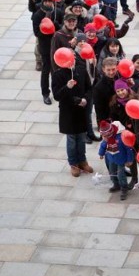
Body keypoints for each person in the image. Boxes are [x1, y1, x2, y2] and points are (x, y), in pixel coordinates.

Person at [51, 43, 94, 177]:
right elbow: (57, 96)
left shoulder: (80, 70)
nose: (72, 59)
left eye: (73, 56)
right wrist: (67, 87)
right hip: (68, 111)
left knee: (81, 137)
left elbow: (89, 87)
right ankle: (73, 163)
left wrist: (85, 99)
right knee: (71, 139)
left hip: (81, 110)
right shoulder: (58, 74)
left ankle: (82, 160)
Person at [32, 0, 58, 104]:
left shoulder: (57, 12)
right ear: (42, 2)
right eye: (46, 1)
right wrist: (46, 28)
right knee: (46, 70)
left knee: (56, 71)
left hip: (56, 46)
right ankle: (45, 93)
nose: (48, 3)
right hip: (45, 47)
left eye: (50, 1)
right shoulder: (37, 15)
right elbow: (36, 33)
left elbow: (62, 26)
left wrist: (55, 25)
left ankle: (57, 91)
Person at [98, 120, 134, 200]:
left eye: (106, 136)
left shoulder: (121, 137)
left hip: (121, 159)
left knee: (121, 174)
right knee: (112, 172)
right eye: (103, 136)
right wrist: (101, 153)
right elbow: (103, 145)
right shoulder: (106, 138)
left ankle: (124, 188)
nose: (105, 138)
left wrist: (130, 160)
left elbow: (129, 149)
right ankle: (116, 184)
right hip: (111, 158)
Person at [93, 57, 119, 126]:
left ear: (117, 68)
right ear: (103, 69)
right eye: (108, 70)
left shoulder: (121, 79)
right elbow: (99, 110)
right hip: (109, 120)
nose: (111, 72)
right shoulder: (98, 87)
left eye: (113, 69)